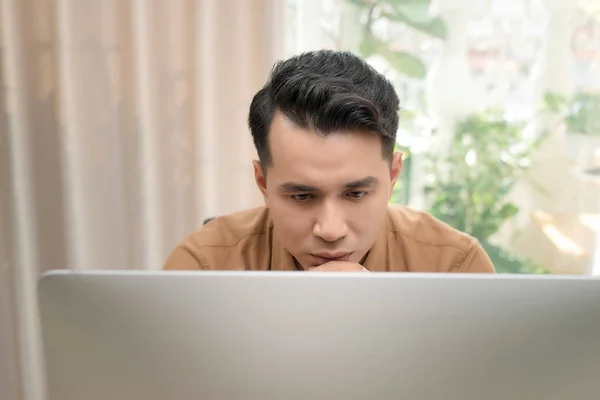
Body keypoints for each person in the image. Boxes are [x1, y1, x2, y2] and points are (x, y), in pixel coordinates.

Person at [163, 50, 495, 273]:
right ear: (262, 182)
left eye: (356, 194)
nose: (331, 230)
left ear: (393, 176)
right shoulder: (203, 266)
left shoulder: (455, 266)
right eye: (302, 196)